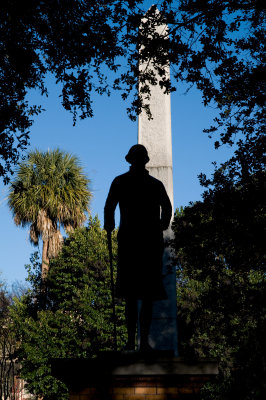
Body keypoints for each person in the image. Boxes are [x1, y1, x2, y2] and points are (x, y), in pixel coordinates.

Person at [104, 144, 172, 351]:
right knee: (139, 295)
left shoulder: (126, 182)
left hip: (137, 242)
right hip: (141, 242)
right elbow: (110, 206)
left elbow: (109, 207)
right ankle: (136, 341)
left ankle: (136, 341)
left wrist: (109, 224)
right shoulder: (148, 183)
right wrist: (160, 226)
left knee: (138, 295)